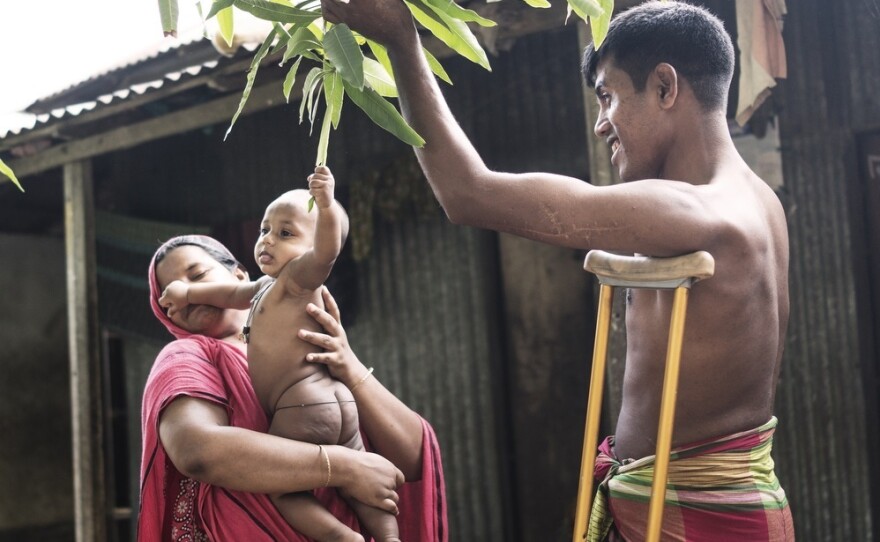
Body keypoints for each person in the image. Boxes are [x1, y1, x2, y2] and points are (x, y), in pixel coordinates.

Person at [319, 0, 794, 540]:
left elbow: (468, 193)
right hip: (707, 505)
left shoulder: (697, 211)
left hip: (695, 519)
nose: (599, 125)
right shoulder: (759, 201)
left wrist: (401, 41)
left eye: (608, 97)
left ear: (665, 87)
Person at [139, 234, 448, 541]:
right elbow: (197, 450)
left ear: (239, 275)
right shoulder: (187, 356)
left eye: (196, 275)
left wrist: (348, 364)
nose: (184, 294)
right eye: (169, 297)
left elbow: (412, 463)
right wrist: (344, 467)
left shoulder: (310, 343)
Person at [157, 167, 398, 541]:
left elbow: (327, 250)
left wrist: (327, 205)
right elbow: (228, 295)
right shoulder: (259, 293)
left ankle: (340, 538)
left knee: (288, 491)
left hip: (301, 404)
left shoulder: (299, 277)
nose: (268, 240)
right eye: (264, 230)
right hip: (336, 402)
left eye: (285, 233)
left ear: (236, 273)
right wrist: (188, 294)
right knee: (362, 476)